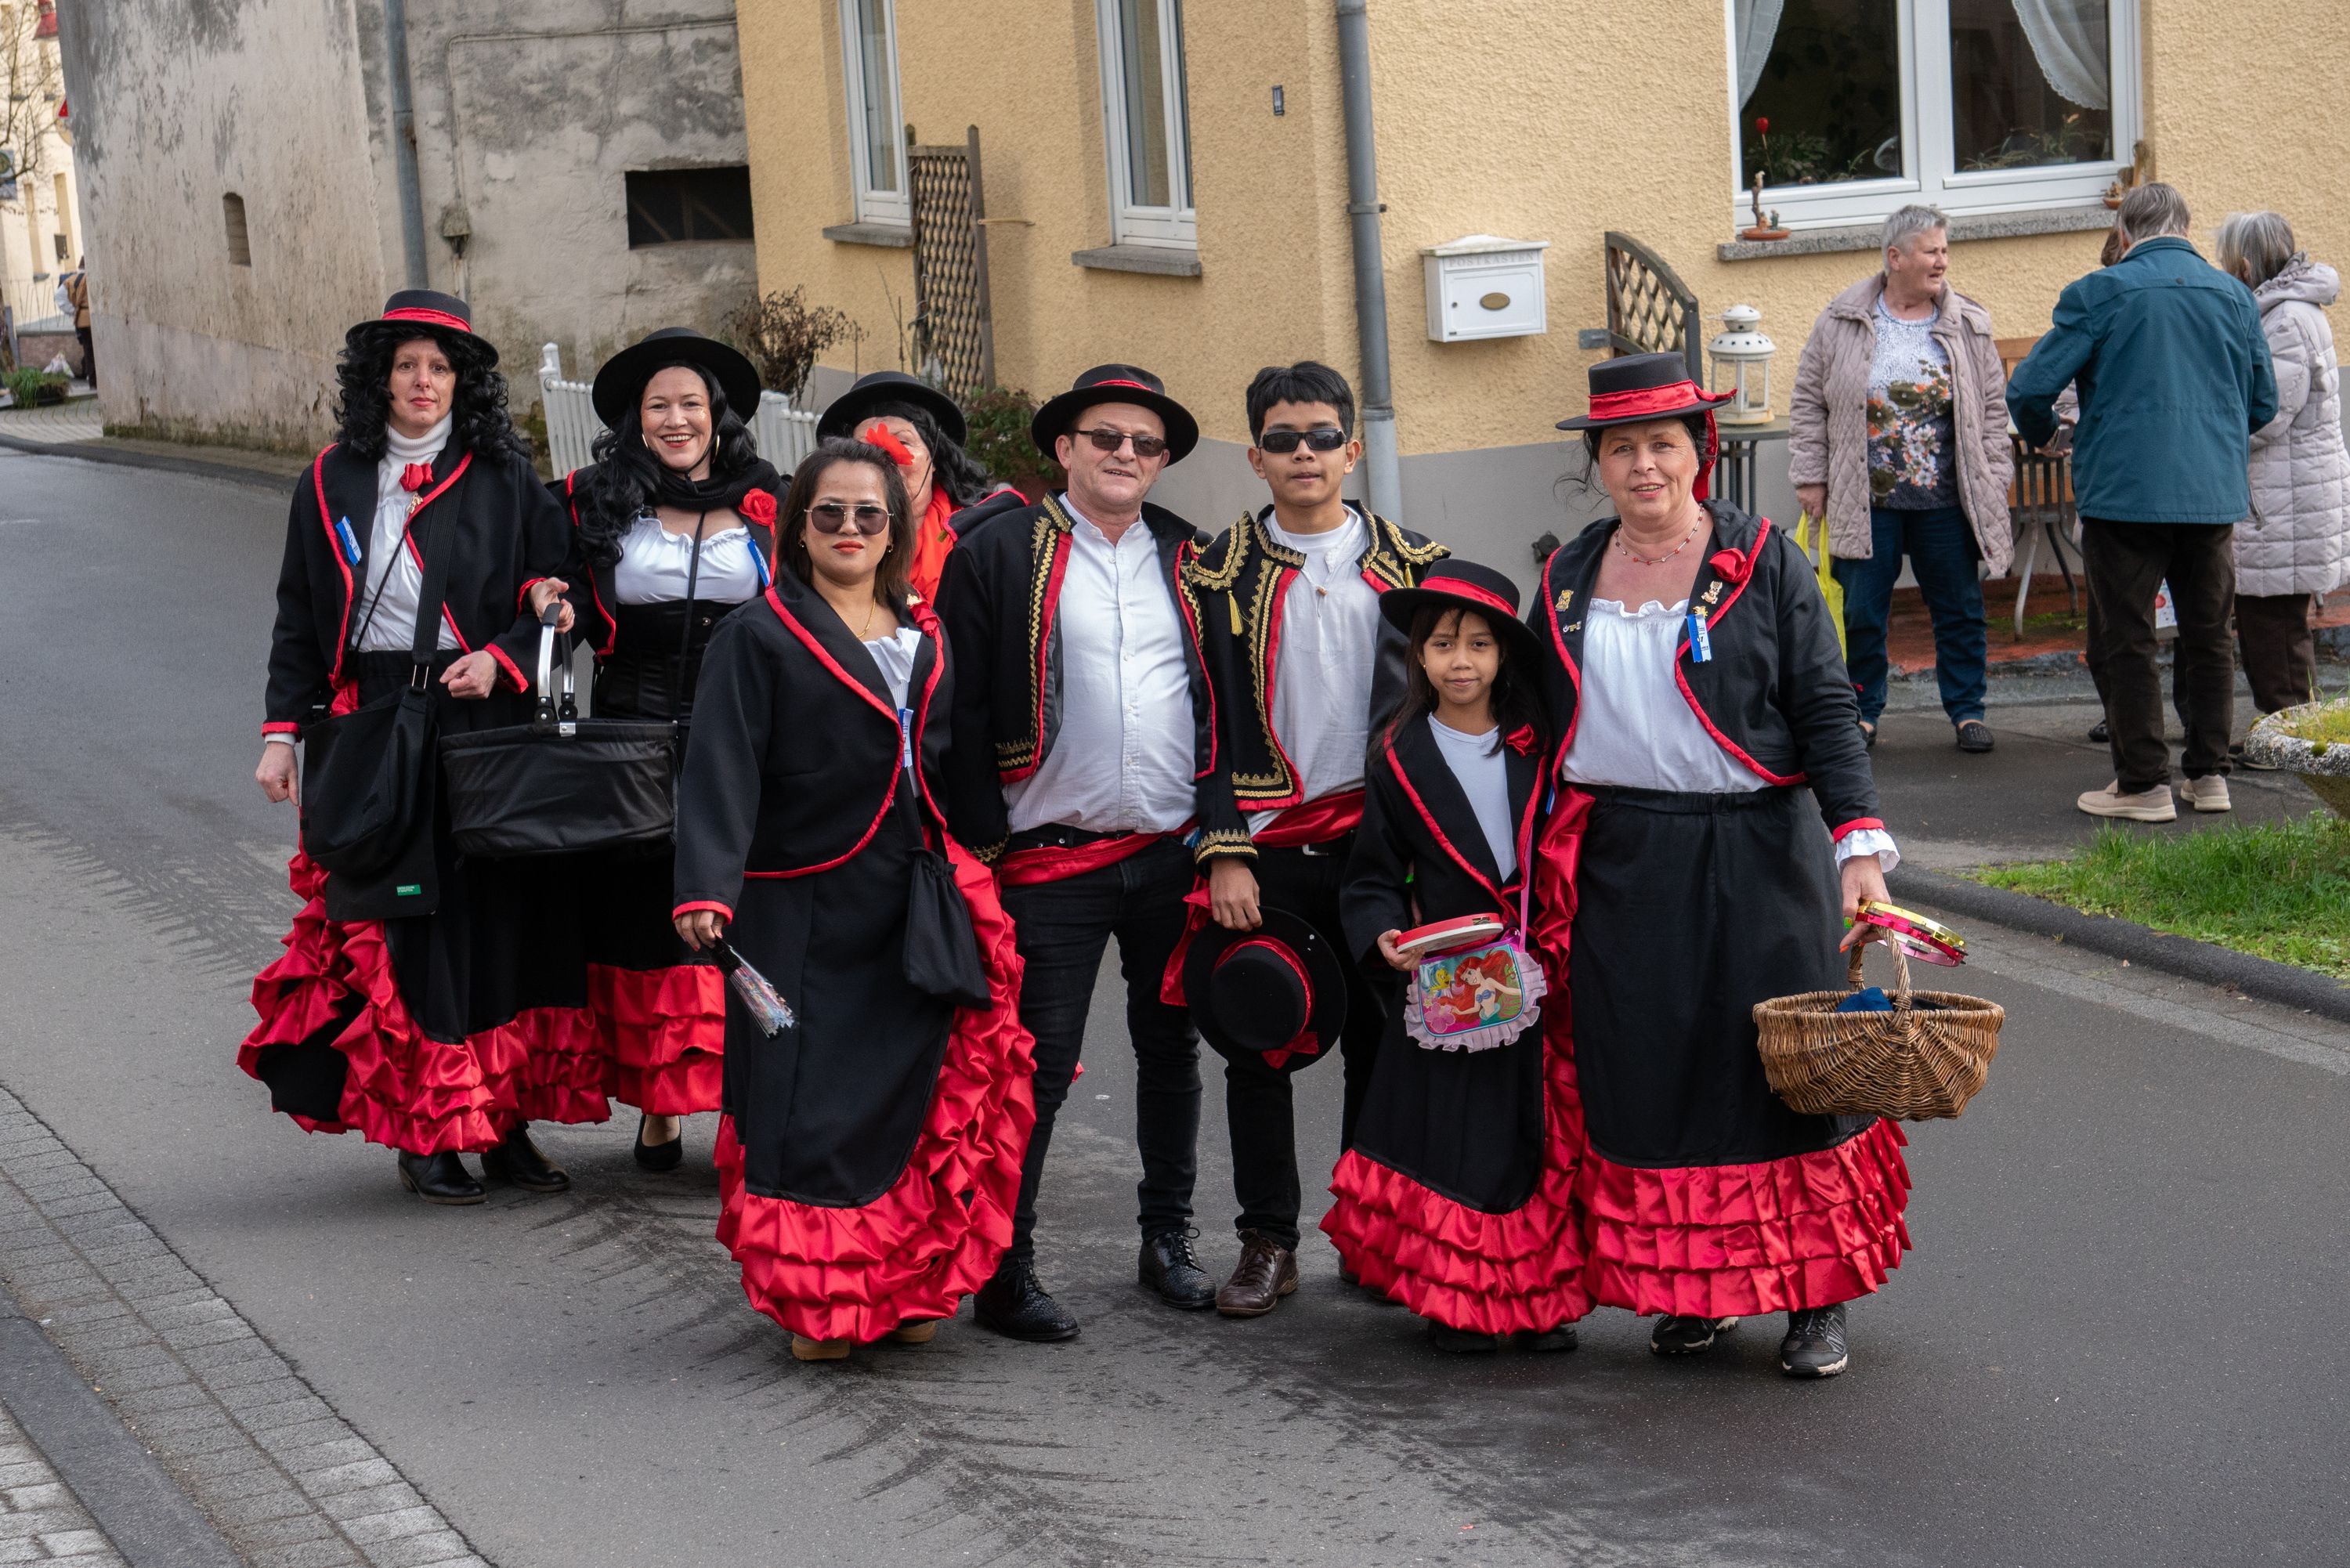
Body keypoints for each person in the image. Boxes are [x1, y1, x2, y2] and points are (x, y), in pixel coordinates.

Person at [1531, 351, 1909, 1379]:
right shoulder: (1567, 576)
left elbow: (1825, 703)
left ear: (1701, 451)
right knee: (1654, 1073)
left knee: (1785, 1071)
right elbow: (1536, 725)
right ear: (1597, 462)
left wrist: (1858, 845)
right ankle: (1693, 1291)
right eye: (1622, 448)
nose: (1644, 465)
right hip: (1624, 856)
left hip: (1757, 845)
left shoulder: (1765, 560)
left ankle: (1814, 1298)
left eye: (1664, 444)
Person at [671, 438, 1036, 1360]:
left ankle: (894, 1283)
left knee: (907, 1092)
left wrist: (981, 861)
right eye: (827, 512)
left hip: (912, 893)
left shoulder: (928, 633)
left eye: (868, 515)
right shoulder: (757, 634)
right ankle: (817, 1302)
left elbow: (947, 763)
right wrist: (706, 889)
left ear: (895, 530)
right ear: (798, 526)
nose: (848, 529)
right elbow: (720, 770)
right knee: (809, 1104)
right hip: (802, 898)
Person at [242, 290, 592, 1205]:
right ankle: (429, 1131)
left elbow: (565, 601)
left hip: (486, 718)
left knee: (502, 920)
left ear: (462, 381)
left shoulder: (506, 475)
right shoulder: (328, 481)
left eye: (440, 367)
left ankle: (505, 1123)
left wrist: (507, 657)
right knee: (410, 928)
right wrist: (284, 735)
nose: (423, 382)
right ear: (379, 379)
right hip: (377, 719)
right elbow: (298, 618)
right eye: (406, 366)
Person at [935, 364, 1220, 1342]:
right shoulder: (999, 548)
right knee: (1038, 1067)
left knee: (1170, 1050)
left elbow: (1222, 704)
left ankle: (1167, 1239)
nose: (1126, 457)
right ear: (1064, 448)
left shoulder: (1191, 555)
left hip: (1168, 854)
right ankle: (1005, 1267)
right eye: (1107, 438)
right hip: (1046, 856)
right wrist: (979, 841)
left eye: (1145, 444)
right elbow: (959, 706)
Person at [1181, 361, 1448, 1319]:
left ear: (1354, 446)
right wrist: (1223, 846)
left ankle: (1372, 1235)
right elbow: (1200, 718)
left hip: (1384, 847)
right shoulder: (1213, 573)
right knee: (1261, 1040)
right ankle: (1268, 1239)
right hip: (1265, 846)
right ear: (1255, 455)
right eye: (1285, 439)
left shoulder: (1418, 566)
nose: (1306, 454)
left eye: (1322, 436)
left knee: (1387, 1045)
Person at [1324, 560, 1587, 1353]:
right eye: (1442, 644)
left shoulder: (1540, 743)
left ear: (1505, 653)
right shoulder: (1397, 756)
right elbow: (1371, 872)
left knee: (1534, 1131)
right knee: (1456, 1134)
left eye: (1478, 643)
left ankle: (1536, 1301)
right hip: (1454, 972)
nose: (1461, 660)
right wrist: (1381, 935)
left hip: (1540, 967)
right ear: (1418, 656)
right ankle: (1459, 1301)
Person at [555, 327, 783, 1169]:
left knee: (743, 908)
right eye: (661, 406)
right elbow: (553, 581)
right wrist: (552, 596)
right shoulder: (592, 499)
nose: (678, 418)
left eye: (692, 403)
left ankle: (740, 1103)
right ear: (636, 421)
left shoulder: (772, 499)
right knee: (650, 919)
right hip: (631, 735)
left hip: (747, 739)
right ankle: (661, 1101)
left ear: (717, 417)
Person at [2010, 182, 2278, 822]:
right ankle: (2210, 775)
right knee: (2210, 636)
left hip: (2125, 494)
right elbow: (2263, 404)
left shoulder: (2098, 292)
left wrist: (2051, 437)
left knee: (2128, 639)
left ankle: (2143, 785)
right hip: (2211, 494)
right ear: (2186, 227)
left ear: (2125, 234)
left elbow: (2029, 388)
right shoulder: (2236, 295)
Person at [1790, 204, 2015, 754]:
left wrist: (1996, 472)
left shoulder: (1967, 323)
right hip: (1865, 499)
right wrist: (1811, 475)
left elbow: (1990, 408)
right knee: (1862, 610)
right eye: (1931, 250)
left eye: (1944, 250)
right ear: (1895, 258)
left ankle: (1967, 711)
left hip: (1946, 499)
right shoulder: (1842, 320)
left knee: (1959, 608)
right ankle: (1862, 713)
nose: (1942, 261)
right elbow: (1807, 400)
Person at [2216, 211, 2350, 732]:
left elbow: (2266, 414)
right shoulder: (2284, 313)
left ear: (2246, 265)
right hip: (2285, 494)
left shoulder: (2286, 319)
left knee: (2273, 625)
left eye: (2228, 263)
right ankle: (2294, 731)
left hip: (2284, 500)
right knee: (2273, 623)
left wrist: (2210, 433)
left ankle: (2294, 738)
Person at [818, 370, 1002, 600]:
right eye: (866, 448)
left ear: (934, 458)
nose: (886, 459)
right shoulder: (824, 535)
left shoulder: (977, 536)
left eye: (903, 442)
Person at [64, 259, 92, 387]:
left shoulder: (71, 279)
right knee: (92, 349)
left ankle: (92, 379)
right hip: (90, 317)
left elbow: (59, 297)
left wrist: (73, 310)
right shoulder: (87, 278)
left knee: (88, 349)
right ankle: (94, 379)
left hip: (80, 319)